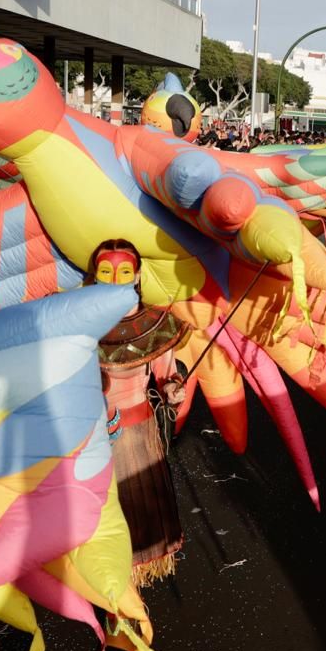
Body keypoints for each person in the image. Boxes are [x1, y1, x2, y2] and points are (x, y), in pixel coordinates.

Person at [87, 239, 191, 587]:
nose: (115, 279)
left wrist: (174, 389)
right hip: (96, 438)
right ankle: (112, 592)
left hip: (141, 437)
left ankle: (129, 598)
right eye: (106, 271)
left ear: (137, 276)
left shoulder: (153, 325)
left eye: (124, 271)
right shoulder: (78, 323)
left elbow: (166, 377)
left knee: (138, 515)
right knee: (104, 520)